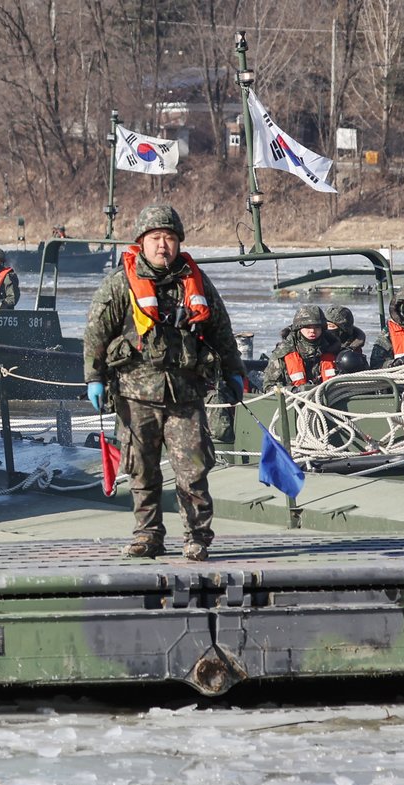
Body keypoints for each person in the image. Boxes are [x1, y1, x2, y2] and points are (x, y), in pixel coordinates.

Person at [83, 204, 247, 562]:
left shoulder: (196, 283)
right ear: (142, 242)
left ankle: (197, 537)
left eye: (170, 238)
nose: (163, 246)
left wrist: (235, 372)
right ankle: (148, 536)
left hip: (185, 394)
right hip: (134, 393)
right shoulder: (119, 285)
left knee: (193, 469)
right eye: (156, 238)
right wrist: (94, 377)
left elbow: (222, 332)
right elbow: (96, 334)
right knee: (141, 468)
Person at [262, 305, 340, 390]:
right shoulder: (283, 353)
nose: (312, 331)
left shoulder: (333, 349)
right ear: (299, 327)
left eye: (317, 327)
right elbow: (269, 387)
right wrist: (293, 391)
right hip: (293, 400)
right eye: (307, 327)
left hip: (328, 398)